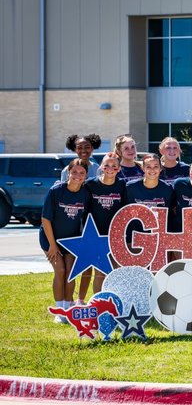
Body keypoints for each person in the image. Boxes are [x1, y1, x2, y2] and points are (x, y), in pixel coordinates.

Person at [41, 158, 91, 321]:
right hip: (50, 239)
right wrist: (52, 245)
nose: (78, 175)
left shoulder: (85, 193)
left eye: (82, 173)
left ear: (86, 175)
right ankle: (59, 310)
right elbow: (45, 219)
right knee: (60, 271)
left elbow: (87, 218)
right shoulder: (56, 191)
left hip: (72, 241)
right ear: (68, 172)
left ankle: (68, 308)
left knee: (70, 273)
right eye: (74, 172)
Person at [60, 133, 102, 304]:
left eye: (87, 147)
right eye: (79, 147)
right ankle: (67, 299)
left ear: (93, 148)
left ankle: (80, 299)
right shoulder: (67, 170)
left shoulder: (97, 168)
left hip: (92, 220)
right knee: (70, 264)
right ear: (74, 148)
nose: (83, 150)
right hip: (74, 220)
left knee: (88, 262)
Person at [84, 152, 127, 294]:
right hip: (96, 235)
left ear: (119, 168)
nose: (110, 168)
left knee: (115, 270)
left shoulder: (122, 185)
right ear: (101, 167)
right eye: (107, 165)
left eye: (114, 166)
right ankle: (98, 301)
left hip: (115, 234)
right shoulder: (90, 184)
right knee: (100, 272)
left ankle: (114, 300)